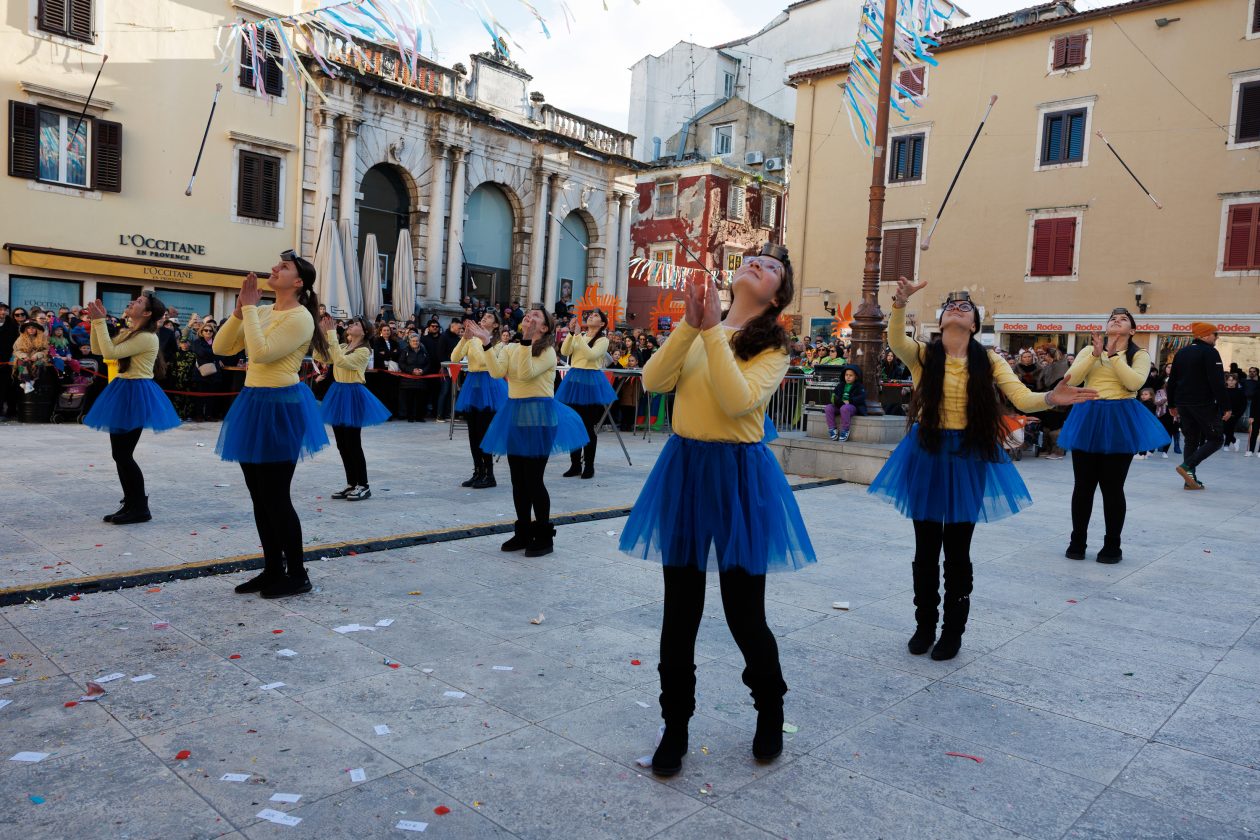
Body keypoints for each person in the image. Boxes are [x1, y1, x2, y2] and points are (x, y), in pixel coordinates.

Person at [620, 244, 815, 778]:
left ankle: (770, 711)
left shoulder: (774, 346)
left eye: (772, 266)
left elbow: (737, 402)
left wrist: (709, 331)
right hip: (684, 469)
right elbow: (655, 382)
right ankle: (675, 727)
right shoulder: (699, 326)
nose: (757, 264)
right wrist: (690, 324)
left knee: (744, 614)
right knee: (679, 612)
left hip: (739, 477)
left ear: (778, 294)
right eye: (754, 259)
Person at [870, 278, 1096, 661]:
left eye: (966, 307)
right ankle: (924, 625)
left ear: (975, 324)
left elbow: (1021, 397)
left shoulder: (989, 359)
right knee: (925, 550)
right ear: (940, 321)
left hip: (969, 454)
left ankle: (952, 632)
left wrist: (1050, 398)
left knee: (958, 551)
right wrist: (899, 303)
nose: (958, 308)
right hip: (926, 451)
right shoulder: (923, 354)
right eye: (951, 306)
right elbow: (895, 341)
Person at [215, 252, 330, 599]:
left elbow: (262, 353)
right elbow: (222, 347)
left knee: (276, 495)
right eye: (277, 265)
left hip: (281, 406)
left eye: (284, 268)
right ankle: (272, 568)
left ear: (298, 283)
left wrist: (249, 309)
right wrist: (239, 311)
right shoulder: (263, 311)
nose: (275, 269)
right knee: (259, 495)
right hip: (253, 402)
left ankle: (297, 573)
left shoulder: (300, 318)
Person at [467, 307, 587, 557]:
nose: (529, 317)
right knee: (517, 480)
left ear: (544, 328)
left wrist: (522, 341)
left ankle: (543, 535)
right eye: (528, 314)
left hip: (540, 418)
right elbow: (497, 372)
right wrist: (487, 344)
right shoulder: (512, 348)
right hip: (515, 415)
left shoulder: (547, 352)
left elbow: (524, 372)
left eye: (536, 316)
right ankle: (522, 531)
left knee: (533, 479)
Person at [1056, 309, 1168, 563]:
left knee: (1112, 488)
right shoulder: (1088, 350)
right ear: (1106, 327)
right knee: (1083, 486)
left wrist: (1115, 355)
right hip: (1089, 416)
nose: (1116, 320)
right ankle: (1077, 541)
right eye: (1112, 319)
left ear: (1132, 330)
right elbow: (1072, 379)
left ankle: (1112, 545)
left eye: (1123, 319)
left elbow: (1133, 384)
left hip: (1120, 418)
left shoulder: (1138, 355)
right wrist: (1095, 354)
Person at [81, 293, 181, 524]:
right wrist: (100, 323)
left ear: (147, 313)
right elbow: (99, 348)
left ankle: (139, 508)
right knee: (120, 454)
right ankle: (131, 503)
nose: (132, 303)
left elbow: (110, 353)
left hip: (136, 393)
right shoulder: (131, 332)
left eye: (138, 302)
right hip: (124, 390)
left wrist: (98, 322)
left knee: (124, 454)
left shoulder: (147, 337)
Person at [317, 315, 391, 501]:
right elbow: (322, 356)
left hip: (352, 395)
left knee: (353, 442)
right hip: (338, 393)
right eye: (351, 323)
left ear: (365, 330)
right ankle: (351, 483)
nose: (351, 325)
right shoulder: (342, 346)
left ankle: (363, 485)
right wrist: (323, 334)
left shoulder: (364, 351)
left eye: (356, 324)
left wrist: (332, 334)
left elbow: (341, 362)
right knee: (342, 443)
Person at [1166, 322, 1227, 490]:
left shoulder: (1182, 353)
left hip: (1183, 403)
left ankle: (1189, 481)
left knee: (1191, 440)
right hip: (1203, 403)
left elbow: (1172, 381)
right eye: (1215, 334)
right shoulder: (1210, 352)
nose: (1217, 338)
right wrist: (1226, 406)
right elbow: (1217, 382)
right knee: (1216, 439)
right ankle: (1187, 466)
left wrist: (1171, 403)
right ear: (1205, 335)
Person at [557, 308, 617, 479]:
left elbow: (591, 355)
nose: (591, 316)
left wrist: (577, 336)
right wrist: (571, 333)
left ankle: (588, 465)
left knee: (588, 426)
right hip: (574, 380)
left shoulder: (603, 340)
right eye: (591, 314)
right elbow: (565, 351)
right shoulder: (580, 336)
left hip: (590, 382)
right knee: (573, 424)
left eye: (596, 315)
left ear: (603, 323)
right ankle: (575, 464)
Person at [453, 310, 509, 489]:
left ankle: (489, 473)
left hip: (490, 385)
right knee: (473, 432)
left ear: (495, 325)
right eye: (484, 315)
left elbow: (491, 363)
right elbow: (454, 358)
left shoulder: (498, 344)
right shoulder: (472, 340)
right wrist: (465, 338)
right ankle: (477, 471)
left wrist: (482, 341)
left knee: (484, 431)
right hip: (473, 384)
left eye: (490, 317)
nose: (485, 317)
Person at [824, 364, 867, 442]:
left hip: (852, 406)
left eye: (851, 375)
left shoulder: (859, 386)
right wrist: (835, 400)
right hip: (840, 405)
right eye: (846, 375)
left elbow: (861, 398)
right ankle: (832, 428)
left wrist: (850, 401)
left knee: (845, 408)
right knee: (828, 407)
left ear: (856, 377)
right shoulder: (841, 385)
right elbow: (835, 394)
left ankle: (845, 430)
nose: (848, 377)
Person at [436, 319, 464, 420]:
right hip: (446, 368)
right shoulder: (444, 337)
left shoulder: (456, 338)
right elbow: (440, 353)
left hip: (455, 367)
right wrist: (447, 365)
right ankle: (440, 415)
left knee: (453, 392)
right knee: (445, 390)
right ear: (453, 326)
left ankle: (449, 414)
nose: (460, 330)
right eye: (459, 328)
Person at [397, 333, 429, 422]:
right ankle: (410, 416)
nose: (415, 342)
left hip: (421, 379)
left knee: (421, 399)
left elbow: (428, 364)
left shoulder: (424, 351)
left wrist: (423, 371)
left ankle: (419, 417)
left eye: (417, 341)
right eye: (413, 341)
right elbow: (401, 364)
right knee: (410, 399)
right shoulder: (405, 351)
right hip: (408, 380)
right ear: (409, 342)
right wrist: (412, 370)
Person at [1222, 373, 1247, 452]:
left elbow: (1244, 404)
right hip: (1224, 413)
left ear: (1236, 381)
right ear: (1226, 381)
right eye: (1229, 380)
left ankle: (1226, 445)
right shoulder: (1223, 391)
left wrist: (1238, 414)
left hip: (1235, 414)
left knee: (1230, 429)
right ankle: (1235, 441)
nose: (1231, 382)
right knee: (1223, 429)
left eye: (1233, 380)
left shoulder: (1240, 392)